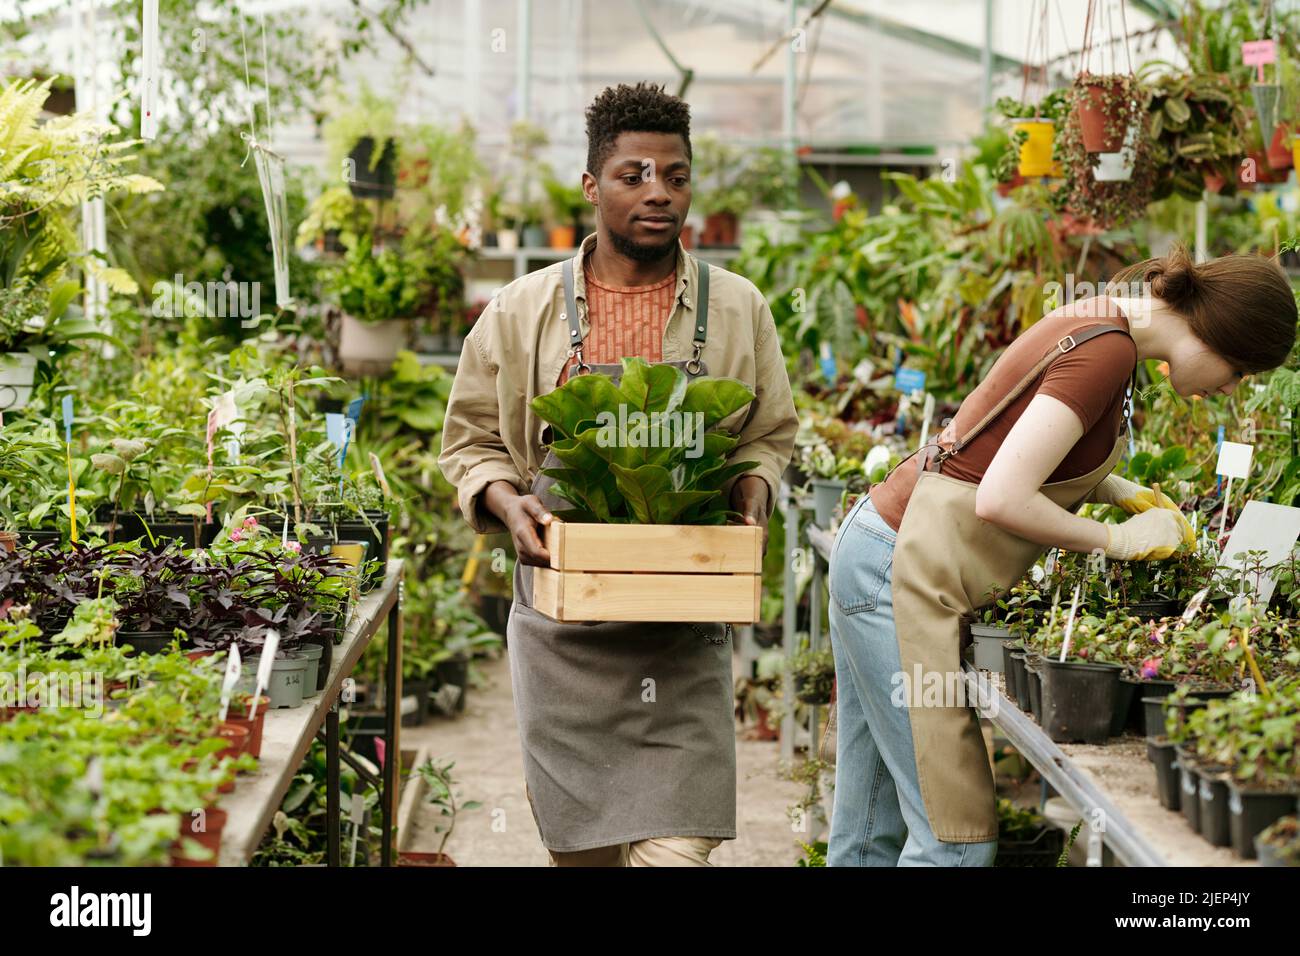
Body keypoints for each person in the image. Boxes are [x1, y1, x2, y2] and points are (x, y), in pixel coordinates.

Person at [826, 246, 1298, 867]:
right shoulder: (1109, 351)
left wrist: (1111, 487)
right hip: (900, 572)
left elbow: (1007, 445)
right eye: (1239, 371)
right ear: (1220, 334)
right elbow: (999, 497)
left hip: (880, 548)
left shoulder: (1102, 317)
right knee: (955, 840)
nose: (1230, 388)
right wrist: (1117, 540)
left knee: (869, 826)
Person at [438, 82, 797, 867]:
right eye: (634, 175)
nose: (658, 194)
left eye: (675, 176)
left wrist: (752, 488)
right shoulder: (518, 310)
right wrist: (506, 503)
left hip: (684, 628)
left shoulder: (740, 309)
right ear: (592, 187)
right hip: (565, 634)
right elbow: (468, 442)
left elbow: (770, 435)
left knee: (678, 847)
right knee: (588, 856)